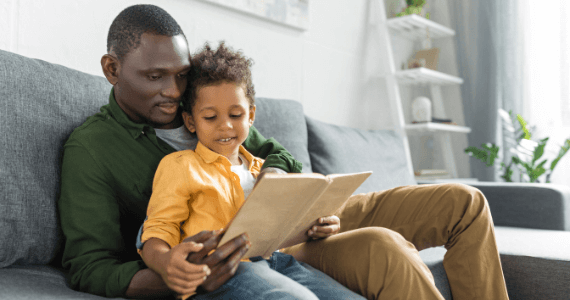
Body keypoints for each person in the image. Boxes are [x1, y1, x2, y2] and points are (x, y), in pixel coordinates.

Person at [59, 4, 510, 300]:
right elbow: (88, 265)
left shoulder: (201, 105)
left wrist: (284, 188)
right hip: (254, 251)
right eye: (155, 77)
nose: (175, 91)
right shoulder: (93, 149)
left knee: (464, 203)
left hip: (303, 219)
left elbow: (277, 153)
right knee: (383, 247)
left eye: (179, 75)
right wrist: (171, 273)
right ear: (112, 69)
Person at [136, 41, 366, 300]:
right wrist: (166, 261)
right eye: (210, 117)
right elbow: (157, 229)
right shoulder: (180, 166)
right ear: (190, 121)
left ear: (251, 116)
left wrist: (320, 225)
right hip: (224, 272)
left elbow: (287, 226)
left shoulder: (262, 170)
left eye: (236, 114)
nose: (225, 126)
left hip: (280, 262)